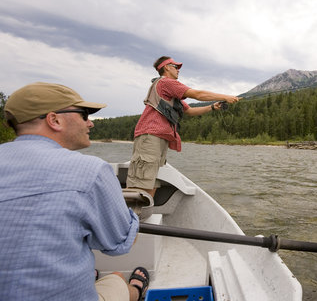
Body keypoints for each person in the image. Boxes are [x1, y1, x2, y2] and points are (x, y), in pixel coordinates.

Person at [0, 82, 149, 301]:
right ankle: (136, 290)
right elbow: (120, 243)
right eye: (84, 114)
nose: (90, 124)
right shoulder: (92, 170)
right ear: (54, 120)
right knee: (117, 278)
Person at [126, 56, 240, 197]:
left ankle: (141, 216)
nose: (178, 69)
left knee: (151, 181)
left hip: (158, 138)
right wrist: (226, 96)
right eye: (175, 66)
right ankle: (131, 217)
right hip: (150, 137)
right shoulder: (166, 82)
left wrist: (212, 107)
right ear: (166, 67)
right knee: (141, 185)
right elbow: (197, 94)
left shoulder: (170, 91)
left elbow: (190, 111)